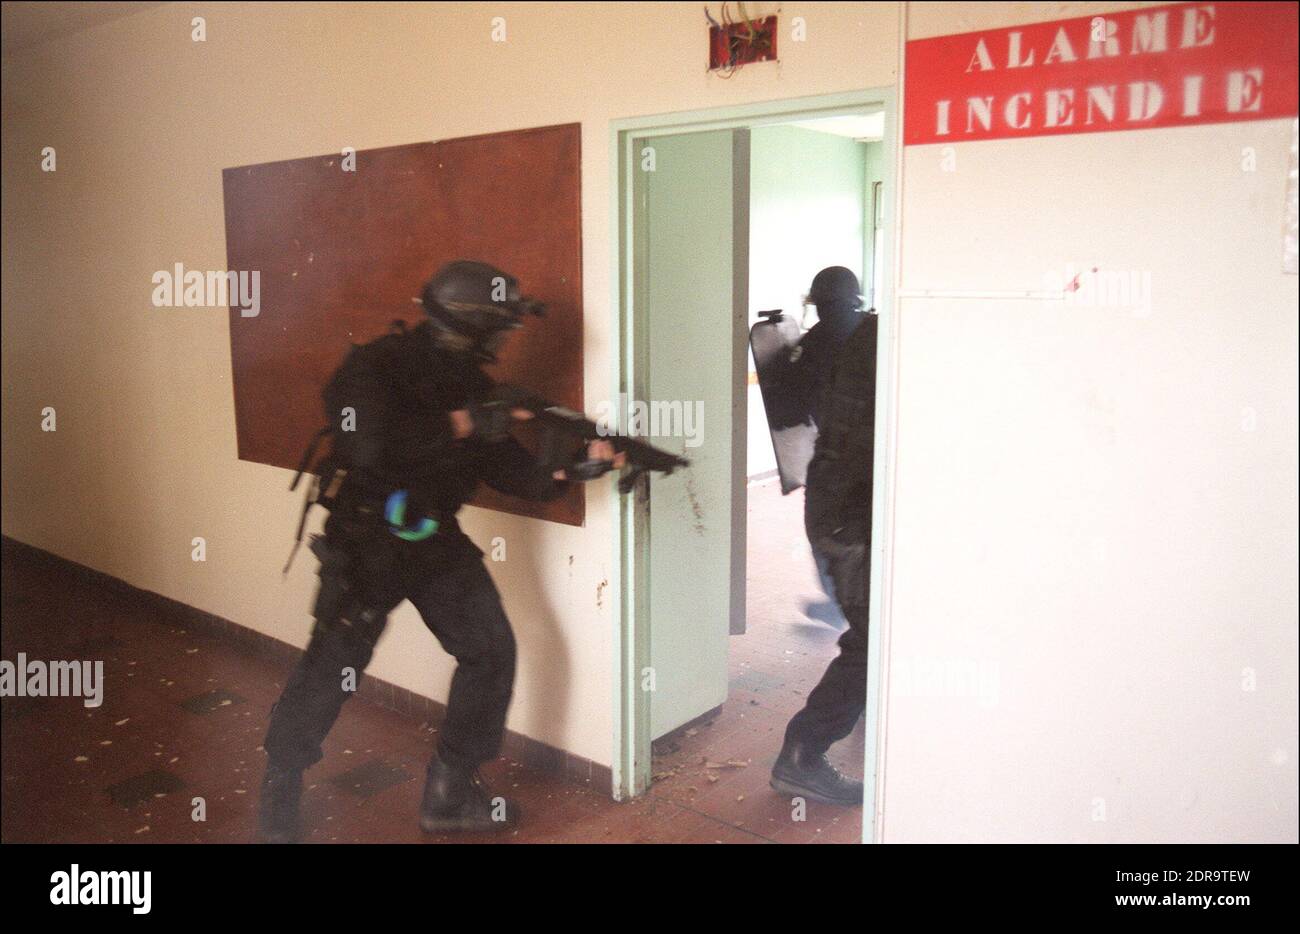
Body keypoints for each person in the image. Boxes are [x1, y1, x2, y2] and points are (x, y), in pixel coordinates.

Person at [258, 260, 620, 843]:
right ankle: (280, 792)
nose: (508, 338)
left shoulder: (477, 387)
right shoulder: (375, 367)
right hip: (369, 537)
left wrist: (578, 467)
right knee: (335, 668)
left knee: (490, 650)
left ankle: (450, 792)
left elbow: (517, 476)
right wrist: (467, 421)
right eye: (501, 325)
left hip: (431, 537)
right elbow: (367, 444)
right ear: (470, 324)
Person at [770, 266, 877, 806]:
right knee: (874, 639)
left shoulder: (817, 346)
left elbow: (788, 413)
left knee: (871, 630)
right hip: (851, 512)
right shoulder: (877, 338)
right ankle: (802, 756)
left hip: (833, 501)